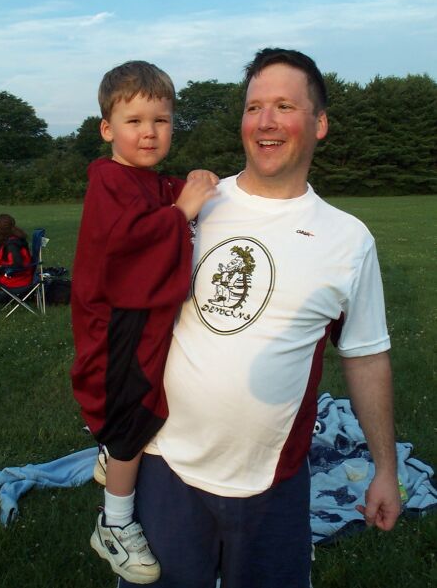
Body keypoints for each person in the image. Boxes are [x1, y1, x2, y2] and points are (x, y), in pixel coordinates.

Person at [116, 48, 402, 588]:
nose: (265, 122)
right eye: (254, 108)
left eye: (284, 107)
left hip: (273, 483)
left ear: (319, 124)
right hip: (164, 464)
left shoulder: (348, 239)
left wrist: (385, 468)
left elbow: (366, 356)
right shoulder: (192, 204)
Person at [70, 61, 217, 584]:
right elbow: (129, 243)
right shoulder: (110, 180)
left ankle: (110, 452)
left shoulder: (143, 180)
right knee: (131, 418)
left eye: (161, 120)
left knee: (144, 404)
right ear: (107, 129)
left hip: (136, 322)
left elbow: (164, 196)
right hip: (115, 327)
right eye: (134, 121)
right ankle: (114, 524)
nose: (149, 132)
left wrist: (194, 186)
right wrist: (181, 213)